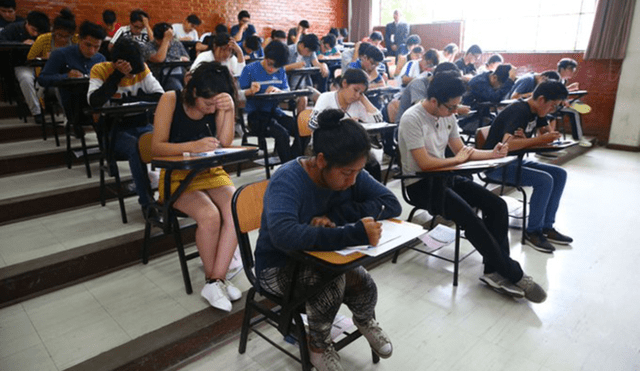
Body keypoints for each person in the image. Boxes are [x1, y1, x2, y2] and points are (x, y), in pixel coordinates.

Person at [256, 108, 400, 371]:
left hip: (324, 256)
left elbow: (390, 203)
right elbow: (283, 235)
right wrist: (353, 232)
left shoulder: (349, 168)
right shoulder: (288, 179)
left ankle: (365, 319)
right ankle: (318, 345)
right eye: (347, 173)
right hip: (278, 266)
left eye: (358, 172)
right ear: (321, 160)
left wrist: (336, 216)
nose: (353, 180)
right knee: (330, 284)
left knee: (364, 284)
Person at [398, 70, 547, 303]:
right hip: (420, 183)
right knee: (469, 216)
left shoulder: (447, 114)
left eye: (457, 107)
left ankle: (493, 271)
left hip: (446, 175)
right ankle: (513, 273)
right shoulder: (412, 118)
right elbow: (425, 164)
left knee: (496, 205)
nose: (454, 112)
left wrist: (492, 153)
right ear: (434, 101)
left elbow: (461, 151)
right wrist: (455, 161)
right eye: (451, 107)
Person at [151, 61, 241, 311]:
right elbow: (155, 147)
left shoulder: (218, 105)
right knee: (210, 216)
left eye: (217, 104)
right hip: (176, 176)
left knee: (236, 209)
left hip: (209, 170)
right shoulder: (170, 99)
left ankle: (216, 280)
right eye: (208, 104)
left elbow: (223, 142)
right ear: (193, 91)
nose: (212, 109)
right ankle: (215, 281)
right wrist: (192, 146)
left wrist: (229, 110)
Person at [483, 80, 573, 253]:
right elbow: (507, 145)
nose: (552, 111)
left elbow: (545, 134)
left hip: (514, 162)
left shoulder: (537, 112)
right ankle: (533, 231)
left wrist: (544, 137)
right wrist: (535, 140)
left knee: (559, 174)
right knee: (544, 180)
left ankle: (547, 226)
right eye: (552, 106)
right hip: (495, 164)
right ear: (541, 100)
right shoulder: (519, 111)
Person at [88, 37, 164, 218]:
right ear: (118, 63)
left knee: (163, 142)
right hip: (114, 131)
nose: (133, 76)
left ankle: (167, 196)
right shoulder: (101, 70)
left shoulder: (142, 69)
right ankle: (147, 203)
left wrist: (129, 102)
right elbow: (94, 102)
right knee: (135, 148)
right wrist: (117, 76)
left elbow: (160, 96)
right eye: (129, 71)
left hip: (141, 125)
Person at [309, 68, 384, 180]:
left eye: (361, 93)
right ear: (344, 83)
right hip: (328, 145)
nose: (357, 95)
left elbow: (378, 121)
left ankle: (371, 196)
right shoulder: (326, 97)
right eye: (355, 90)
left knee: (373, 164)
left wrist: (364, 100)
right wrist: (343, 123)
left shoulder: (358, 102)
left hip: (351, 146)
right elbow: (313, 124)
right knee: (347, 164)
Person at [239, 40, 300, 163]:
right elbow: (237, 96)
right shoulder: (249, 69)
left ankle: (293, 161)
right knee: (282, 134)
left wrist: (278, 91)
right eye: (270, 64)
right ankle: (287, 169)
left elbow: (286, 91)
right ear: (265, 56)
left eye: (276, 67)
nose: (272, 69)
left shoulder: (281, 70)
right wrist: (250, 91)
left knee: (302, 129)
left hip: (275, 113)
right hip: (256, 116)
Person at [16, 9, 76, 124]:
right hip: (46, 72)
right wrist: (46, 59)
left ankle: (71, 118)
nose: (63, 39)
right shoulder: (44, 39)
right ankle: (37, 112)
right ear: (53, 31)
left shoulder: (75, 40)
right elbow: (30, 58)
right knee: (29, 79)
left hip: (67, 74)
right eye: (59, 35)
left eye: (66, 36)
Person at [38, 20, 106, 107]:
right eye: (88, 45)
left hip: (94, 100)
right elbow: (43, 79)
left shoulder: (100, 58)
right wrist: (67, 76)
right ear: (79, 39)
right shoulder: (61, 54)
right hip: (70, 100)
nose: (92, 51)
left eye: (97, 47)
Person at [141, 23, 190, 91]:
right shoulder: (148, 47)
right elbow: (159, 59)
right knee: (175, 84)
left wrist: (184, 60)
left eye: (171, 38)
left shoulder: (176, 43)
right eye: (169, 38)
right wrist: (166, 40)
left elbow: (186, 59)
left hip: (181, 74)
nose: (170, 41)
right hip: (162, 78)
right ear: (156, 39)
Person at [285, 33, 327, 112]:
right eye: (308, 51)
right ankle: (299, 123)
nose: (309, 54)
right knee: (303, 98)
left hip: (304, 86)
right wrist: (294, 66)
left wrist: (323, 65)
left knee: (321, 99)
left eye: (311, 52)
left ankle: (316, 121)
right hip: (289, 88)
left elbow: (316, 63)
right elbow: (279, 69)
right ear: (301, 45)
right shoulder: (288, 50)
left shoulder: (310, 51)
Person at [556, 58, 591, 147]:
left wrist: (569, 88)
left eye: (573, 70)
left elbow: (561, 91)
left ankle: (574, 104)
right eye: (570, 69)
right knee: (574, 113)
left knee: (577, 103)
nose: (572, 72)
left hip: (560, 104)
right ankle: (579, 139)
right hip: (552, 107)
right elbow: (552, 93)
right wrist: (563, 100)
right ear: (562, 69)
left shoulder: (563, 80)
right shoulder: (555, 78)